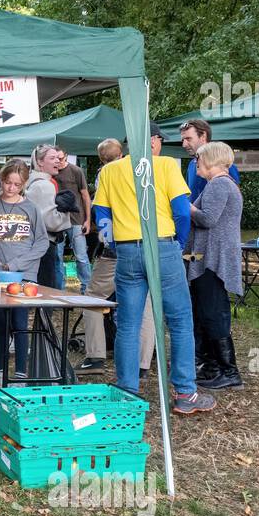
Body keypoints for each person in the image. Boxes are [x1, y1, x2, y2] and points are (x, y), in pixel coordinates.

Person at [93, 123, 216, 413]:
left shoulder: (109, 171)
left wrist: (113, 242)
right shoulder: (165, 166)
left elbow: (101, 215)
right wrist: (178, 243)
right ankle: (186, 393)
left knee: (128, 323)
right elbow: (182, 210)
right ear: (153, 141)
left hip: (126, 250)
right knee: (180, 320)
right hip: (162, 246)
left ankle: (127, 393)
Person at [79, 139, 156, 376]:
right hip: (151, 245)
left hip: (118, 248)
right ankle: (143, 362)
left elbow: (102, 210)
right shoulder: (154, 170)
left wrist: (107, 240)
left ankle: (95, 357)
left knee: (93, 300)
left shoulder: (108, 174)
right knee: (145, 306)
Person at [0, 161, 51, 386]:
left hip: (24, 274)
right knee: (1, 321)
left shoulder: (31, 209)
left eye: (17, 185)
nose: (11, 188)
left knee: (19, 322)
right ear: (2, 180)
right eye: (7, 183)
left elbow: (41, 242)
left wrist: (17, 263)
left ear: (24, 184)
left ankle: (21, 373)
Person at [187, 142, 244, 390]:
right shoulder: (215, 184)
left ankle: (230, 372)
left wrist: (183, 206)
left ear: (210, 159)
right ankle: (212, 368)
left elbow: (207, 218)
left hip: (214, 258)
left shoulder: (220, 184)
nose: (196, 162)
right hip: (206, 256)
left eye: (199, 158)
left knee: (213, 313)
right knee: (204, 313)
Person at [25, 145, 74, 289]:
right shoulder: (45, 185)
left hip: (30, 242)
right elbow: (51, 222)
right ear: (40, 162)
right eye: (52, 158)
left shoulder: (30, 181)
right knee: (45, 291)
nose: (57, 161)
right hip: (45, 243)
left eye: (58, 158)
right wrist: (66, 213)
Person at [54, 149, 93, 292]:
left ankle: (86, 289)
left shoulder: (75, 171)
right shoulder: (51, 173)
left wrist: (88, 220)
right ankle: (59, 290)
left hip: (76, 220)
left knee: (81, 256)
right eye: (55, 159)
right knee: (57, 257)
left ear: (66, 156)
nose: (58, 161)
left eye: (61, 158)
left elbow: (85, 195)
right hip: (57, 220)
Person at [179, 118, 239, 202]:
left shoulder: (223, 163)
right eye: (183, 140)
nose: (184, 144)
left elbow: (234, 200)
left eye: (188, 139)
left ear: (203, 136)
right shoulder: (192, 165)